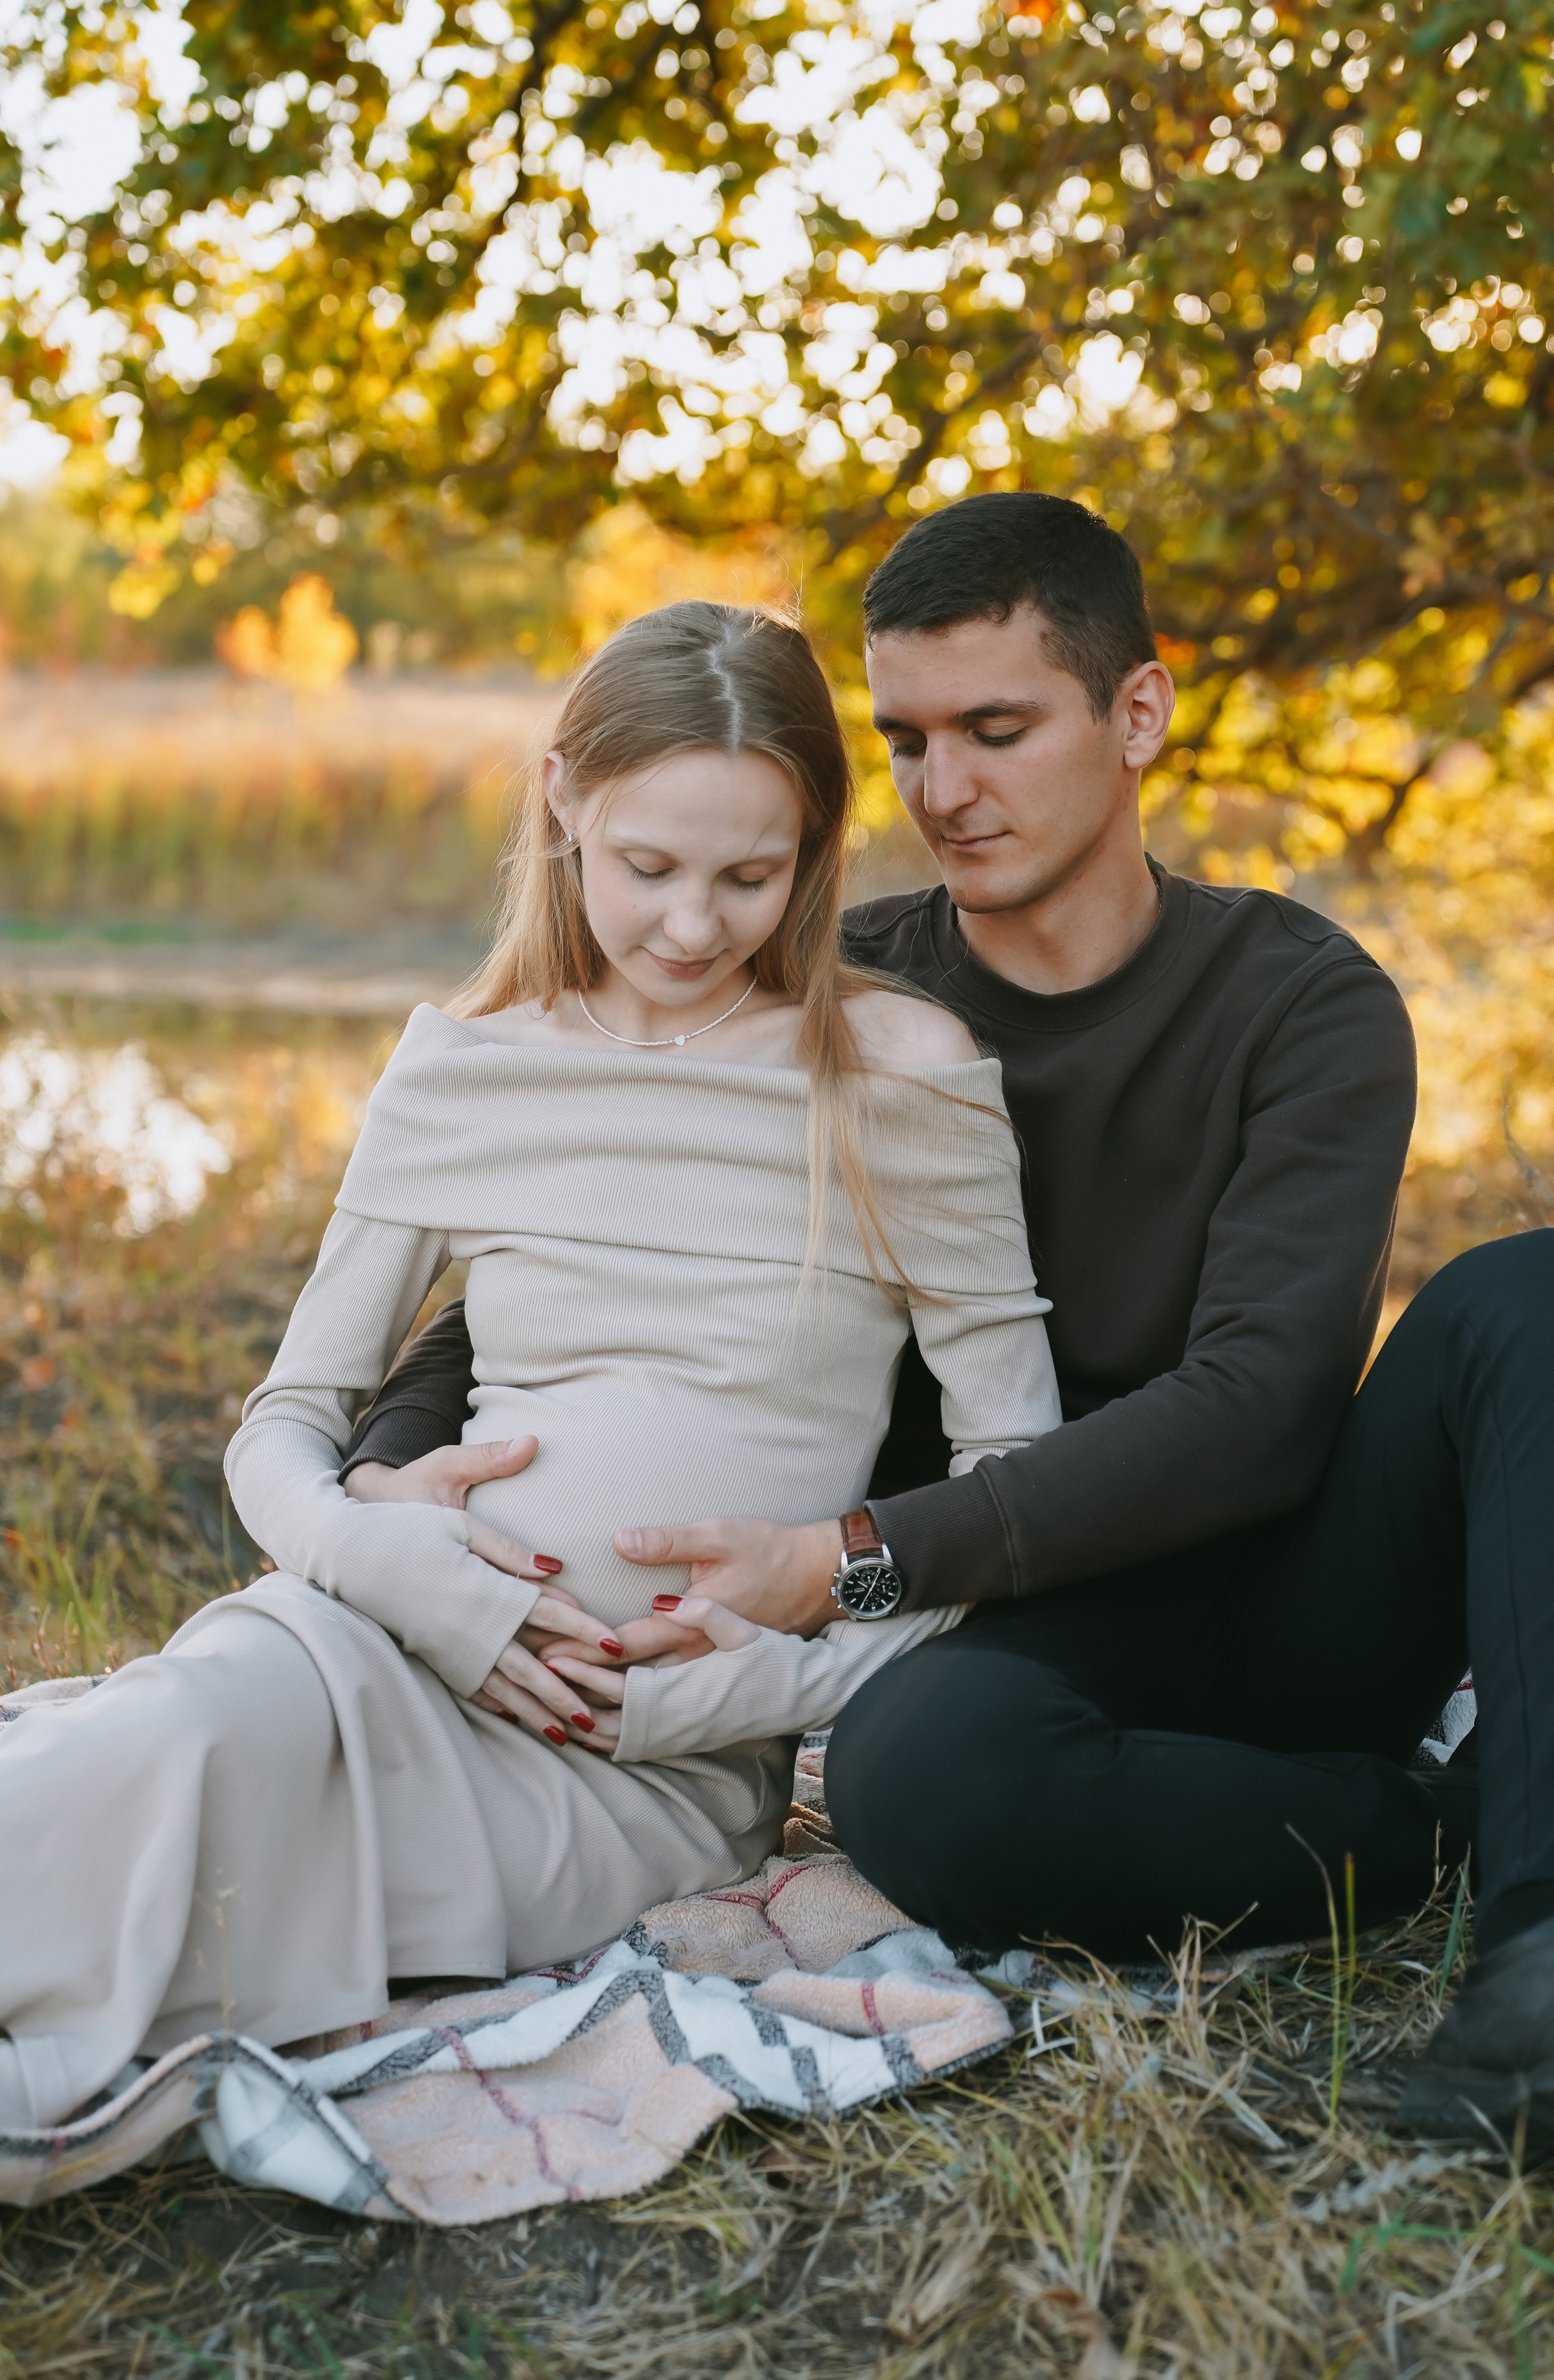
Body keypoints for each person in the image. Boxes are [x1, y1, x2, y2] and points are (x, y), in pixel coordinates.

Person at [347, 493, 1554, 2192]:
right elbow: (539, 1255)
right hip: (993, 1642)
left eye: (995, 729)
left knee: (1538, 1283)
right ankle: (1516, 1804)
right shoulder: (822, 997)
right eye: (910, 742)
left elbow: (1260, 1408)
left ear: (1133, 716)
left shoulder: (1297, 1000)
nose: (943, 791)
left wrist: (846, 1555)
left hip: (1288, 1588)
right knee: (912, 1782)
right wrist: (386, 1470)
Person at [0, 602, 1061, 2133]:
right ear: (562, 798)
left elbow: (1011, 1493)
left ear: (815, 845)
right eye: (647, 868)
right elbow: (284, 1427)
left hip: (643, 1774)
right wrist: (402, 1567)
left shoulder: (897, 1076)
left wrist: (784, 1680)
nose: (693, 926)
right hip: (378, 1638)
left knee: (194, 1884)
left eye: (747, 877)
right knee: (171, 1737)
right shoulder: (467, 1062)